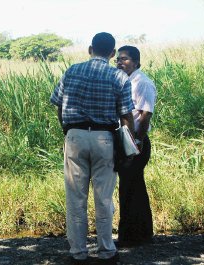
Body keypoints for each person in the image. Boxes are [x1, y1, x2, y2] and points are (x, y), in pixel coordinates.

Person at [50, 32, 135, 265]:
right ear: (112, 53)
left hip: (75, 135)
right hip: (104, 138)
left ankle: (78, 252)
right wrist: (129, 143)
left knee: (76, 197)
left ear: (90, 49)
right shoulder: (118, 76)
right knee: (104, 197)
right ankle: (106, 250)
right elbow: (127, 115)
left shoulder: (72, 71)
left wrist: (67, 130)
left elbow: (58, 104)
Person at [115, 46, 157, 247]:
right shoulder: (125, 82)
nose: (120, 62)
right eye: (118, 59)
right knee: (131, 186)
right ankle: (137, 234)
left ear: (136, 62)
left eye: (124, 59)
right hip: (126, 139)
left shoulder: (143, 83)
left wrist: (138, 141)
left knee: (132, 187)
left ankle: (135, 235)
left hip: (136, 141)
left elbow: (145, 115)